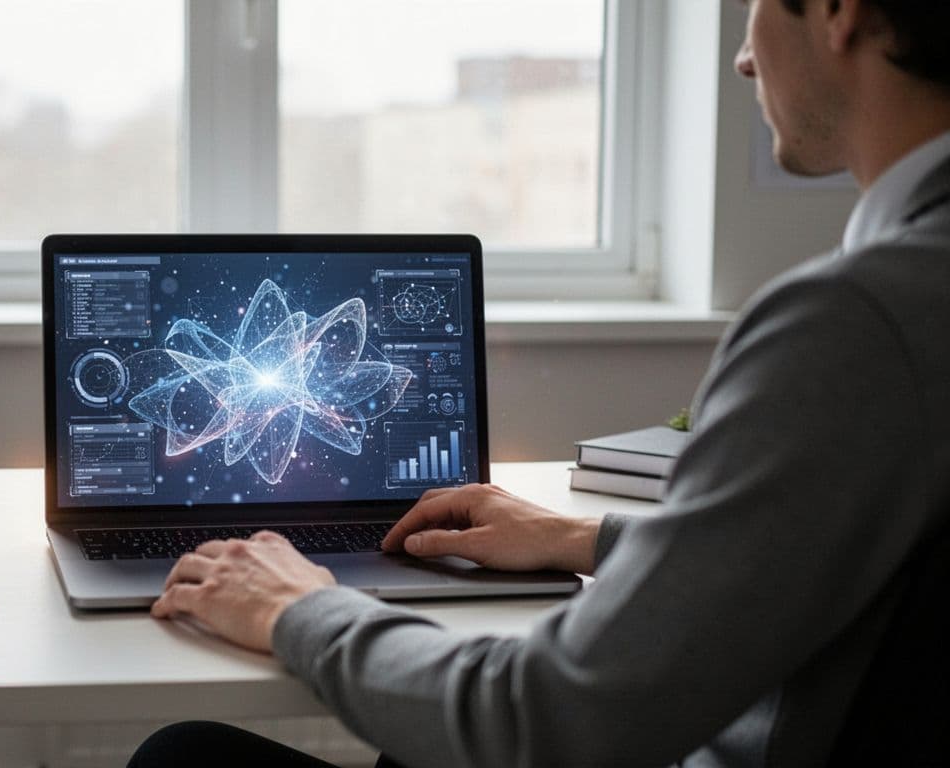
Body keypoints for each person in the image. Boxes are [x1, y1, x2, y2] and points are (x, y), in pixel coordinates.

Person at [130, 0, 950, 765]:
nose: (741, 57)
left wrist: (297, 609)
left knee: (184, 757)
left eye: (757, 6)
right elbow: (800, 563)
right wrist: (583, 539)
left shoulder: (856, 324)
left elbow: (547, 715)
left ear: (841, 11)